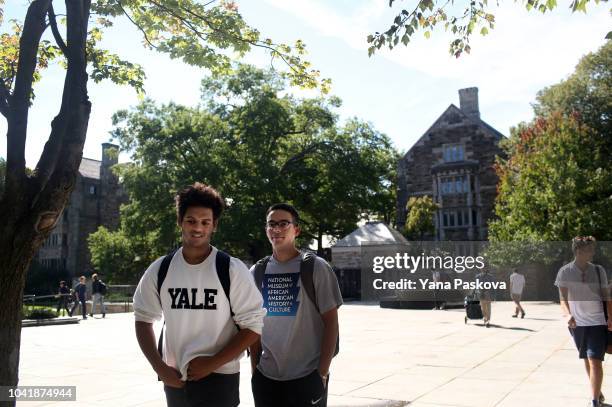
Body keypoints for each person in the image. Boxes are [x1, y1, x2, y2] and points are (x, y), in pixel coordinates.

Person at [133, 183, 265, 407]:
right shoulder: (161, 269)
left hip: (221, 378)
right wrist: (160, 367)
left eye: (205, 222)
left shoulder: (231, 269)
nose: (198, 228)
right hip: (176, 379)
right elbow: (143, 319)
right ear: (179, 222)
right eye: (191, 221)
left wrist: (212, 363)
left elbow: (253, 327)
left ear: (215, 225)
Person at [250, 203, 342, 407]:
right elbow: (252, 326)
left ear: (296, 230)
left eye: (284, 223)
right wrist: (255, 371)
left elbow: (331, 323)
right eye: (271, 224)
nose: (277, 229)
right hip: (266, 378)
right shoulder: (257, 272)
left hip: (307, 376)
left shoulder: (316, 267)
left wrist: (322, 372)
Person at [555, 236, 612, 407]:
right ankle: (597, 393)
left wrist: (610, 317)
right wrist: (567, 315)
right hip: (577, 324)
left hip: (598, 322)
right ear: (579, 251)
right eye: (589, 250)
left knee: (595, 360)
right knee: (587, 359)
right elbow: (563, 299)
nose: (592, 253)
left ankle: (594, 401)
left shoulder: (598, 270)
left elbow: (606, 295)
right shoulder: (565, 272)